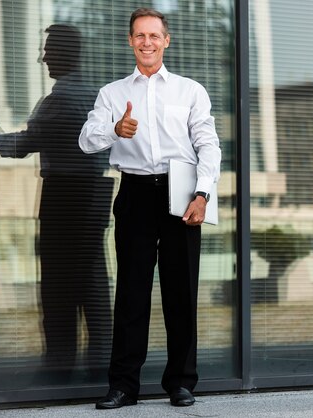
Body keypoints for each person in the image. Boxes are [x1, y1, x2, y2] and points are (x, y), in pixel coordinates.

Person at [78, 8, 221, 409]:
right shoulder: (111, 94)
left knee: (181, 291)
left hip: (181, 193)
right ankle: (124, 386)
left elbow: (208, 145)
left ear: (166, 40)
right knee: (131, 293)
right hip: (135, 193)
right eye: (139, 35)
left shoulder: (190, 91)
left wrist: (202, 194)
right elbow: (86, 141)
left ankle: (180, 382)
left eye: (154, 36)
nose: (147, 42)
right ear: (130, 41)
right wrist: (114, 130)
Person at [0, 24, 113, 383]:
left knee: (59, 289)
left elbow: (20, 146)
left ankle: (59, 368)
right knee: (93, 286)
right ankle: (101, 365)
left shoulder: (60, 99)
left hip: (66, 197)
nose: (42, 56)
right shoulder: (94, 95)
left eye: (49, 49)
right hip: (93, 195)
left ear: (66, 53)